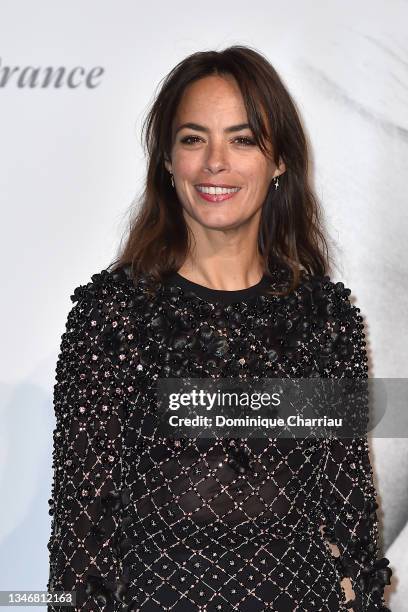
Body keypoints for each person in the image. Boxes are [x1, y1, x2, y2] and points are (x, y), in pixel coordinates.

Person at [47, 46, 393, 611]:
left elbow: (348, 517)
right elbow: (80, 536)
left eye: (242, 139)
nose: (215, 162)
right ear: (166, 159)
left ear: (279, 160)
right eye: (193, 138)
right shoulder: (113, 317)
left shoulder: (324, 320)